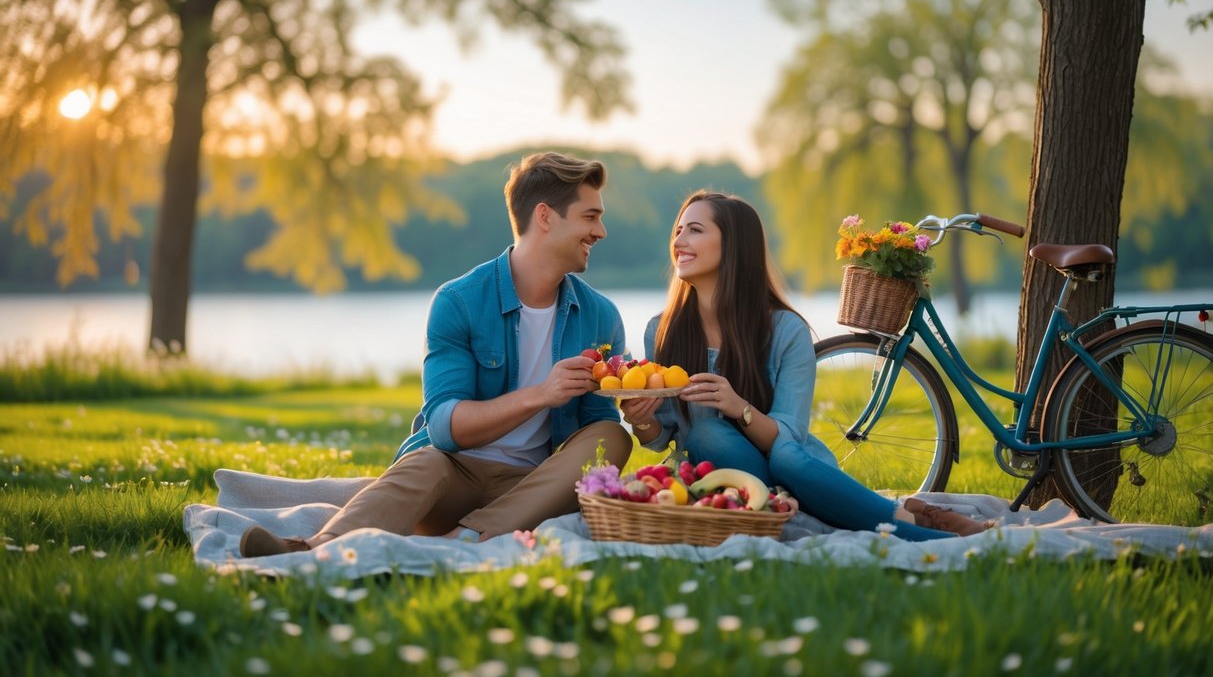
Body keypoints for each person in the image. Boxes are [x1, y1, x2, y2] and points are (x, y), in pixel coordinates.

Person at [240, 152, 633, 557]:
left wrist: (641, 414)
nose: (600, 231)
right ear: (545, 216)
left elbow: (595, 429)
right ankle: (310, 549)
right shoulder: (459, 301)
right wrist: (542, 393)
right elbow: (444, 425)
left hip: (533, 487)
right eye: (590, 217)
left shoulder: (600, 316)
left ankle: (462, 541)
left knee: (611, 437)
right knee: (425, 462)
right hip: (452, 474)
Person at [620, 191, 991, 540]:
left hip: (795, 468)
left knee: (785, 454)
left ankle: (908, 528)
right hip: (717, 472)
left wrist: (739, 408)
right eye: (679, 230)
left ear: (733, 246)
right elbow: (663, 436)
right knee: (705, 436)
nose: (679, 240)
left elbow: (789, 435)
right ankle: (907, 519)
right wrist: (641, 419)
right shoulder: (662, 330)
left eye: (695, 230)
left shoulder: (785, 330)